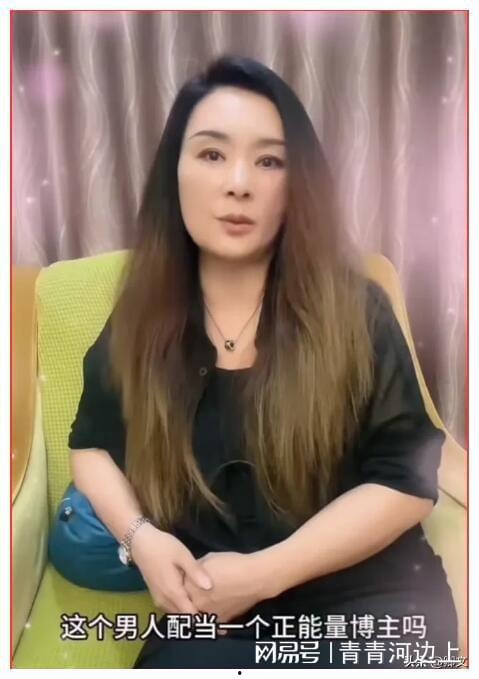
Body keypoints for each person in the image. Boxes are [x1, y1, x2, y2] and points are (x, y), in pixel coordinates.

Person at [68, 55, 458, 669]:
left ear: (296, 184)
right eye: (212, 154)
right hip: (214, 612)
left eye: (270, 161)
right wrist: (141, 540)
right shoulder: (142, 320)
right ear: (174, 174)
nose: (239, 183)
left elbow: (406, 482)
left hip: (371, 599)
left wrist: (263, 575)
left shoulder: (357, 311)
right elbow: (90, 445)